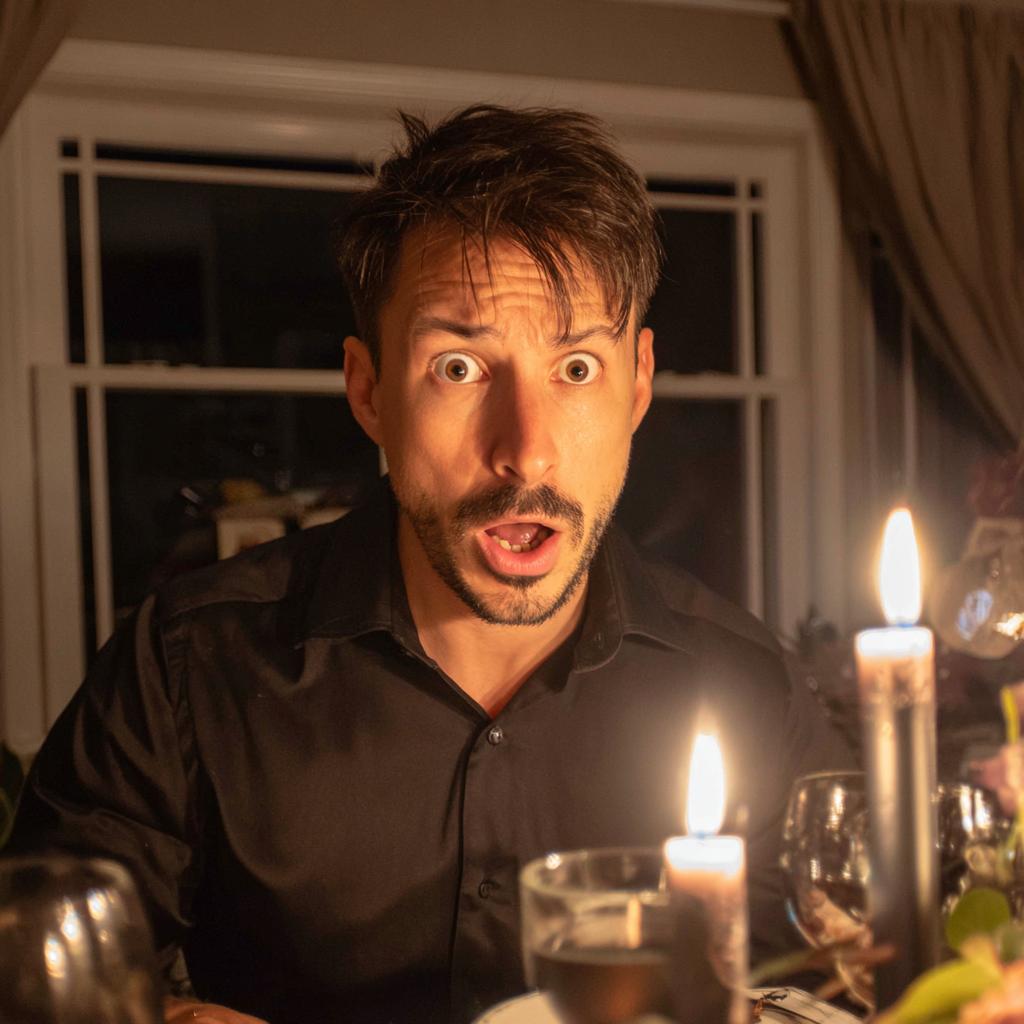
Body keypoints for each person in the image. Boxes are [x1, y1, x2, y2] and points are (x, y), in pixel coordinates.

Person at [8, 105, 852, 1024]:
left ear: (639, 385)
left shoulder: (748, 683)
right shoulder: (185, 669)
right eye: (458, 368)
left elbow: (850, 978)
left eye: (576, 369)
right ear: (369, 392)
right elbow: (37, 982)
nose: (526, 454)